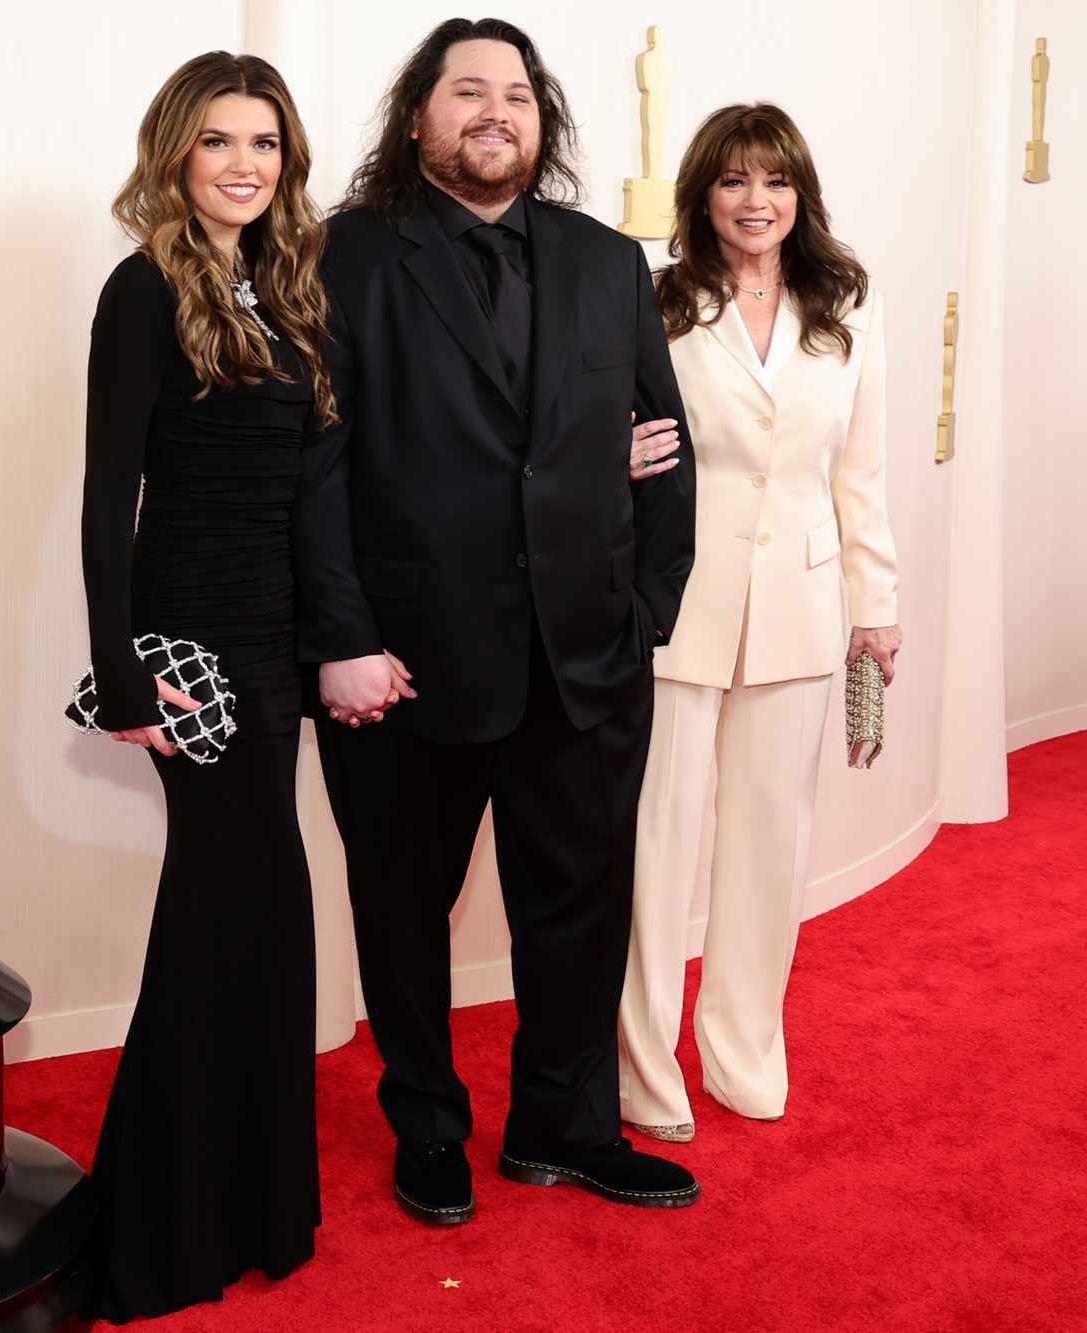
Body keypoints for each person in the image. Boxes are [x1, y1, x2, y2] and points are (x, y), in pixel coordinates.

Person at [294, 17, 701, 1225]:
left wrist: (644, 615)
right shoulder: (340, 259)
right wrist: (338, 638)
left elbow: (663, 449)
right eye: (465, 91)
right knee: (401, 908)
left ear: (542, 119)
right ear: (416, 116)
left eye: (514, 95)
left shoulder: (604, 261)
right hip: (401, 667)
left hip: (585, 660)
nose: (493, 112)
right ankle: (426, 1127)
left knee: (580, 910)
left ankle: (562, 1127)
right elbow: (311, 470)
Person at [77, 51, 338, 1319]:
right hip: (190, 652)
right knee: (225, 912)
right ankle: (166, 1219)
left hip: (275, 647)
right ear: (175, 153)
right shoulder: (143, 292)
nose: (244, 164)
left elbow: (307, 490)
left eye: (267, 145)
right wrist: (120, 666)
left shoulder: (286, 291)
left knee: (256, 916)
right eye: (220, 142)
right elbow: (102, 495)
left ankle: (244, 1198)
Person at [617, 103, 903, 1143]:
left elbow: (857, 472)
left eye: (773, 181)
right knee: (656, 843)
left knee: (767, 843)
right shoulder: (653, 302)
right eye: (733, 180)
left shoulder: (846, 306)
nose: (754, 201)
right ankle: (643, 1067)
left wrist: (875, 603)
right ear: (702, 195)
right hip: (674, 607)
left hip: (799, 606)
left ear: (799, 195)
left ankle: (742, 1050)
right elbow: (612, 440)